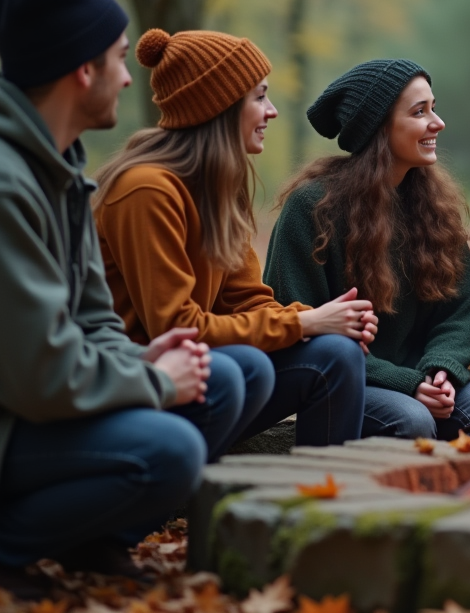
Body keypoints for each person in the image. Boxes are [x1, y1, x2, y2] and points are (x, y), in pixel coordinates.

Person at [0, 0, 231, 594]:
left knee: (220, 383)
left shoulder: (63, 168)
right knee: (172, 448)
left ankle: (91, 540)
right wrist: (153, 380)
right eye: (120, 60)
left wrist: (141, 355)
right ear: (83, 72)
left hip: (33, 408)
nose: (130, 78)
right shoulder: (6, 184)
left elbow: (94, 319)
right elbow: (42, 372)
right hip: (16, 418)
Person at [93, 28, 371, 449]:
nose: (271, 111)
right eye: (258, 97)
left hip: (204, 373)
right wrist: (303, 321)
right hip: (139, 387)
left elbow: (247, 301)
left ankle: (321, 502)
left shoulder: (221, 187)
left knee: (337, 353)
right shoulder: (146, 190)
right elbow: (177, 327)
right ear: (218, 106)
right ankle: (184, 491)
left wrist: (329, 320)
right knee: (246, 366)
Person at [265, 60, 470, 440]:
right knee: (412, 420)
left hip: (423, 376)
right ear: (380, 126)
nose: (438, 122)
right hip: (348, 381)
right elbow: (306, 328)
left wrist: (440, 370)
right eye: (420, 112)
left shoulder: (434, 207)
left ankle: (461, 500)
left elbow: (459, 309)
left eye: (433, 107)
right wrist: (406, 383)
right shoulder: (312, 208)